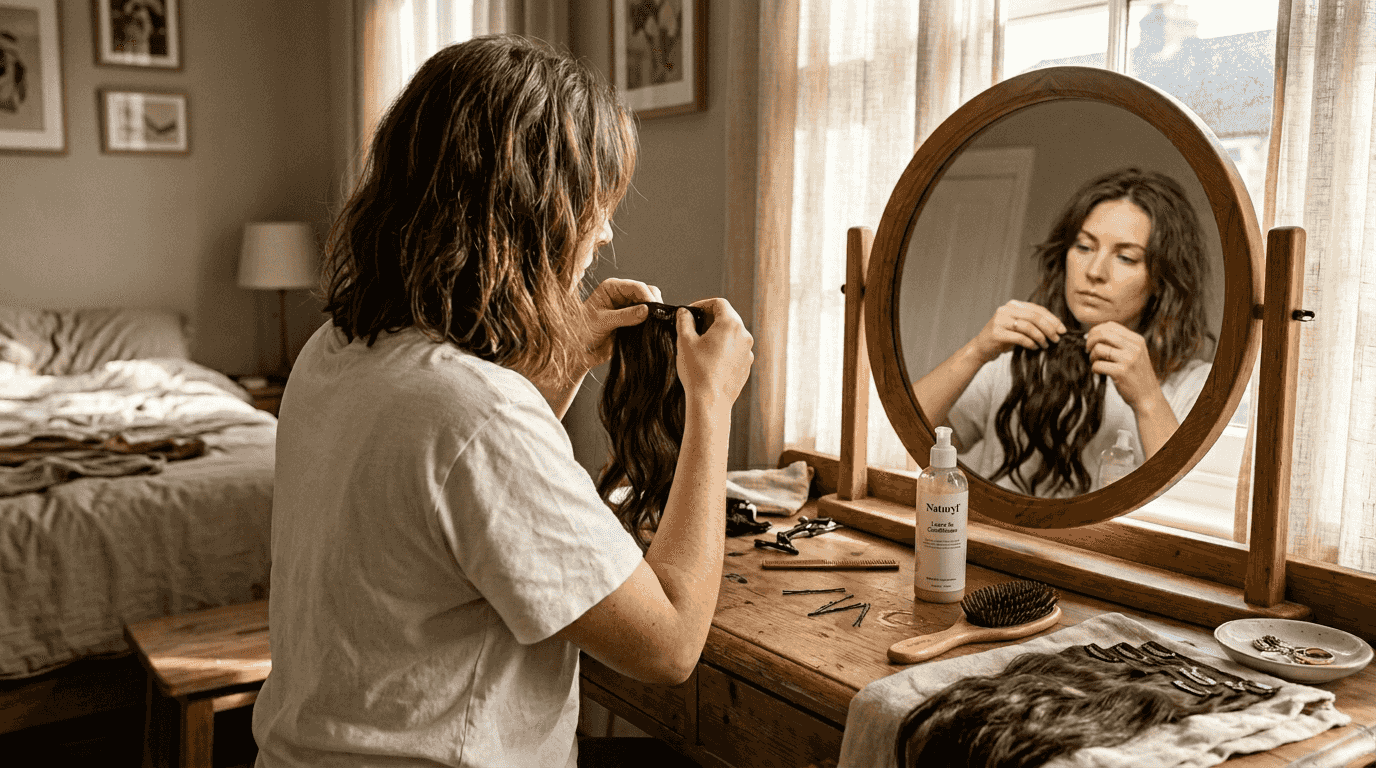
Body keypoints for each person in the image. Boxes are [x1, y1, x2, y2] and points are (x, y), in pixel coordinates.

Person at [250, 35, 754, 768]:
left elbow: (464, 513)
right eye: (595, 204)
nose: (606, 231)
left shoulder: (337, 349)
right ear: (533, 214)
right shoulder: (475, 414)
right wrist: (712, 405)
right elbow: (670, 645)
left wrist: (569, 357)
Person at [913, 168, 1212, 497]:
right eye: (1084, 247)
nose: (1095, 272)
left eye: (1126, 257)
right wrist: (975, 352)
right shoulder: (1010, 365)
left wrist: (1147, 400)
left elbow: (1187, 507)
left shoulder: (1194, 386)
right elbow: (899, 437)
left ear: (1162, 279)